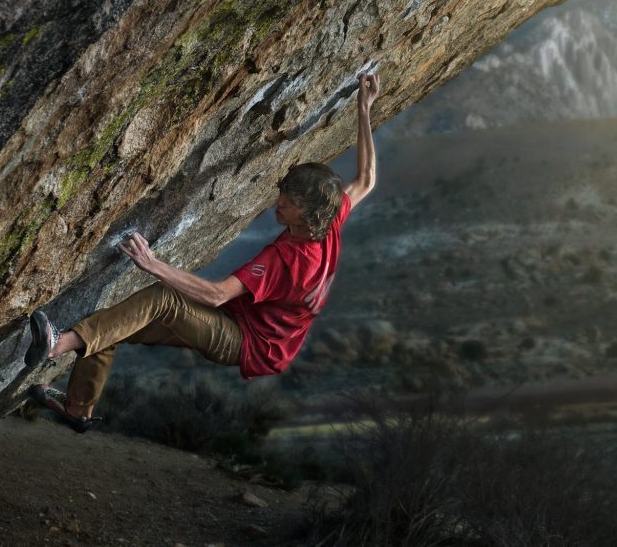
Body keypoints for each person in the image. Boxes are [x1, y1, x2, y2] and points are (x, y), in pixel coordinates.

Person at [25, 72, 380, 432]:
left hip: (245, 341)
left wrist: (152, 264)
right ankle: (78, 410)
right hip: (256, 333)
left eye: (286, 204)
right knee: (115, 323)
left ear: (305, 212)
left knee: (163, 298)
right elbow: (366, 178)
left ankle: (58, 344)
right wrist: (364, 109)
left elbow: (215, 295)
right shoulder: (328, 221)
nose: (278, 206)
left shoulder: (287, 260)